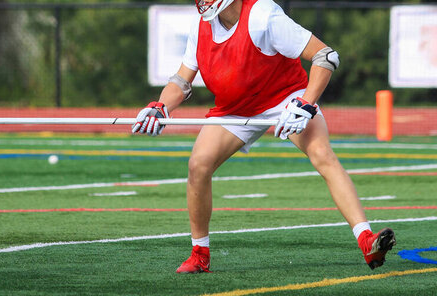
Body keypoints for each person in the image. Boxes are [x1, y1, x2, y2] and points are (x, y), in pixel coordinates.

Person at [132, 0, 396, 273]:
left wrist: (306, 103)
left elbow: (325, 57)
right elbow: (182, 81)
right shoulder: (201, 26)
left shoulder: (262, 14)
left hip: (285, 98)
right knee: (198, 165)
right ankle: (200, 254)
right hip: (235, 110)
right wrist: (161, 106)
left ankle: (366, 240)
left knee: (322, 154)